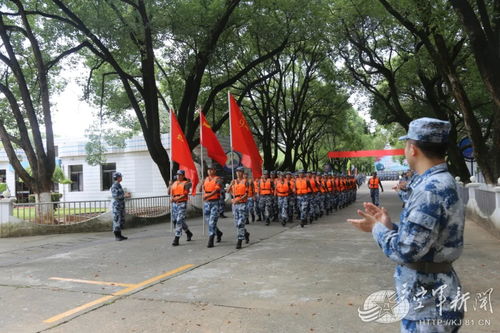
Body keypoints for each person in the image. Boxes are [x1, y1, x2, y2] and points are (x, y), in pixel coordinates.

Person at [347, 117, 465, 333]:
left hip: (428, 302)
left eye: (406, 144)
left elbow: (407, 250)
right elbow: (426, 239)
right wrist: (390, 226)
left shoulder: (429, 190)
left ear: (413, 149)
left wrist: (377, 228)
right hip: (434, 293)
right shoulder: (441, 181)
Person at [169, 170, 194, 246]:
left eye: (180, 175)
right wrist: (169, 185)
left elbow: (185, 194)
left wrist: (176, 199)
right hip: (174, 204)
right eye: (177, 175)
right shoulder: (174, 183)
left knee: (179, 220)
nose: (178, 176)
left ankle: (176, 238)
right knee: (176, 220)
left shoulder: (186, 183)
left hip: (182, 203)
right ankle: (188, 233)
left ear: (183, 176)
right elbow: (169, 192)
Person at [228, 167, 250, 249]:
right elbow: (228, 191)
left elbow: (246, 194)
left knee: (241, 223)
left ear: (242, 173)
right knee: (237, 223)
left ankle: (239, 240)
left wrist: (238, 200)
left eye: (240, 172)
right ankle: (245, 233)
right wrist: (231, 184)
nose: (238, 173)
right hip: (235, 204)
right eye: (237, 171)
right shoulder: (234, 182)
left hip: (242, 203)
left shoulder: (245, 182)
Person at [202, 165, 224, 248]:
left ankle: (211, 239)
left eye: (211, 170)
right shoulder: (206, 179)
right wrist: (201, 183)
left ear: (215, 171)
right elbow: (201, 189)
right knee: (209, 221)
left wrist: (208, 196)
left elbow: (216, 190)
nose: (209, 171)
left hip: (215, 202)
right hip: (207, 203)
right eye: (208, 170)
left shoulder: (218, 179)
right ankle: (218, 232)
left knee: (212, 221)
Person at [110, 172, 130, 241]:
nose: (121, 178)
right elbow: (115, 195)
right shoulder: (114, 186)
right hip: (116, 206)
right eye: (120, 177)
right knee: (116, 220)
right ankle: (117, 236)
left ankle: (120, 235)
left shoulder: (119, 185)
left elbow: (120, 194)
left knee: (120, 220)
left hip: (120, 206)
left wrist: (125, 194)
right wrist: (124, 195)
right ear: (118, 177)